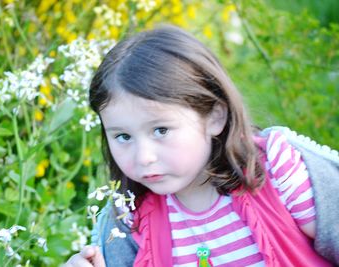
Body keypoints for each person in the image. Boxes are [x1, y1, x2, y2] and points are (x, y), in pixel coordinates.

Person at [64, 25, 339, 267]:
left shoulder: (277, 173)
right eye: (123, 136)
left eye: (161, 130)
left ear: (215, 117)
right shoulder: (129, 216)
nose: (144, 157)